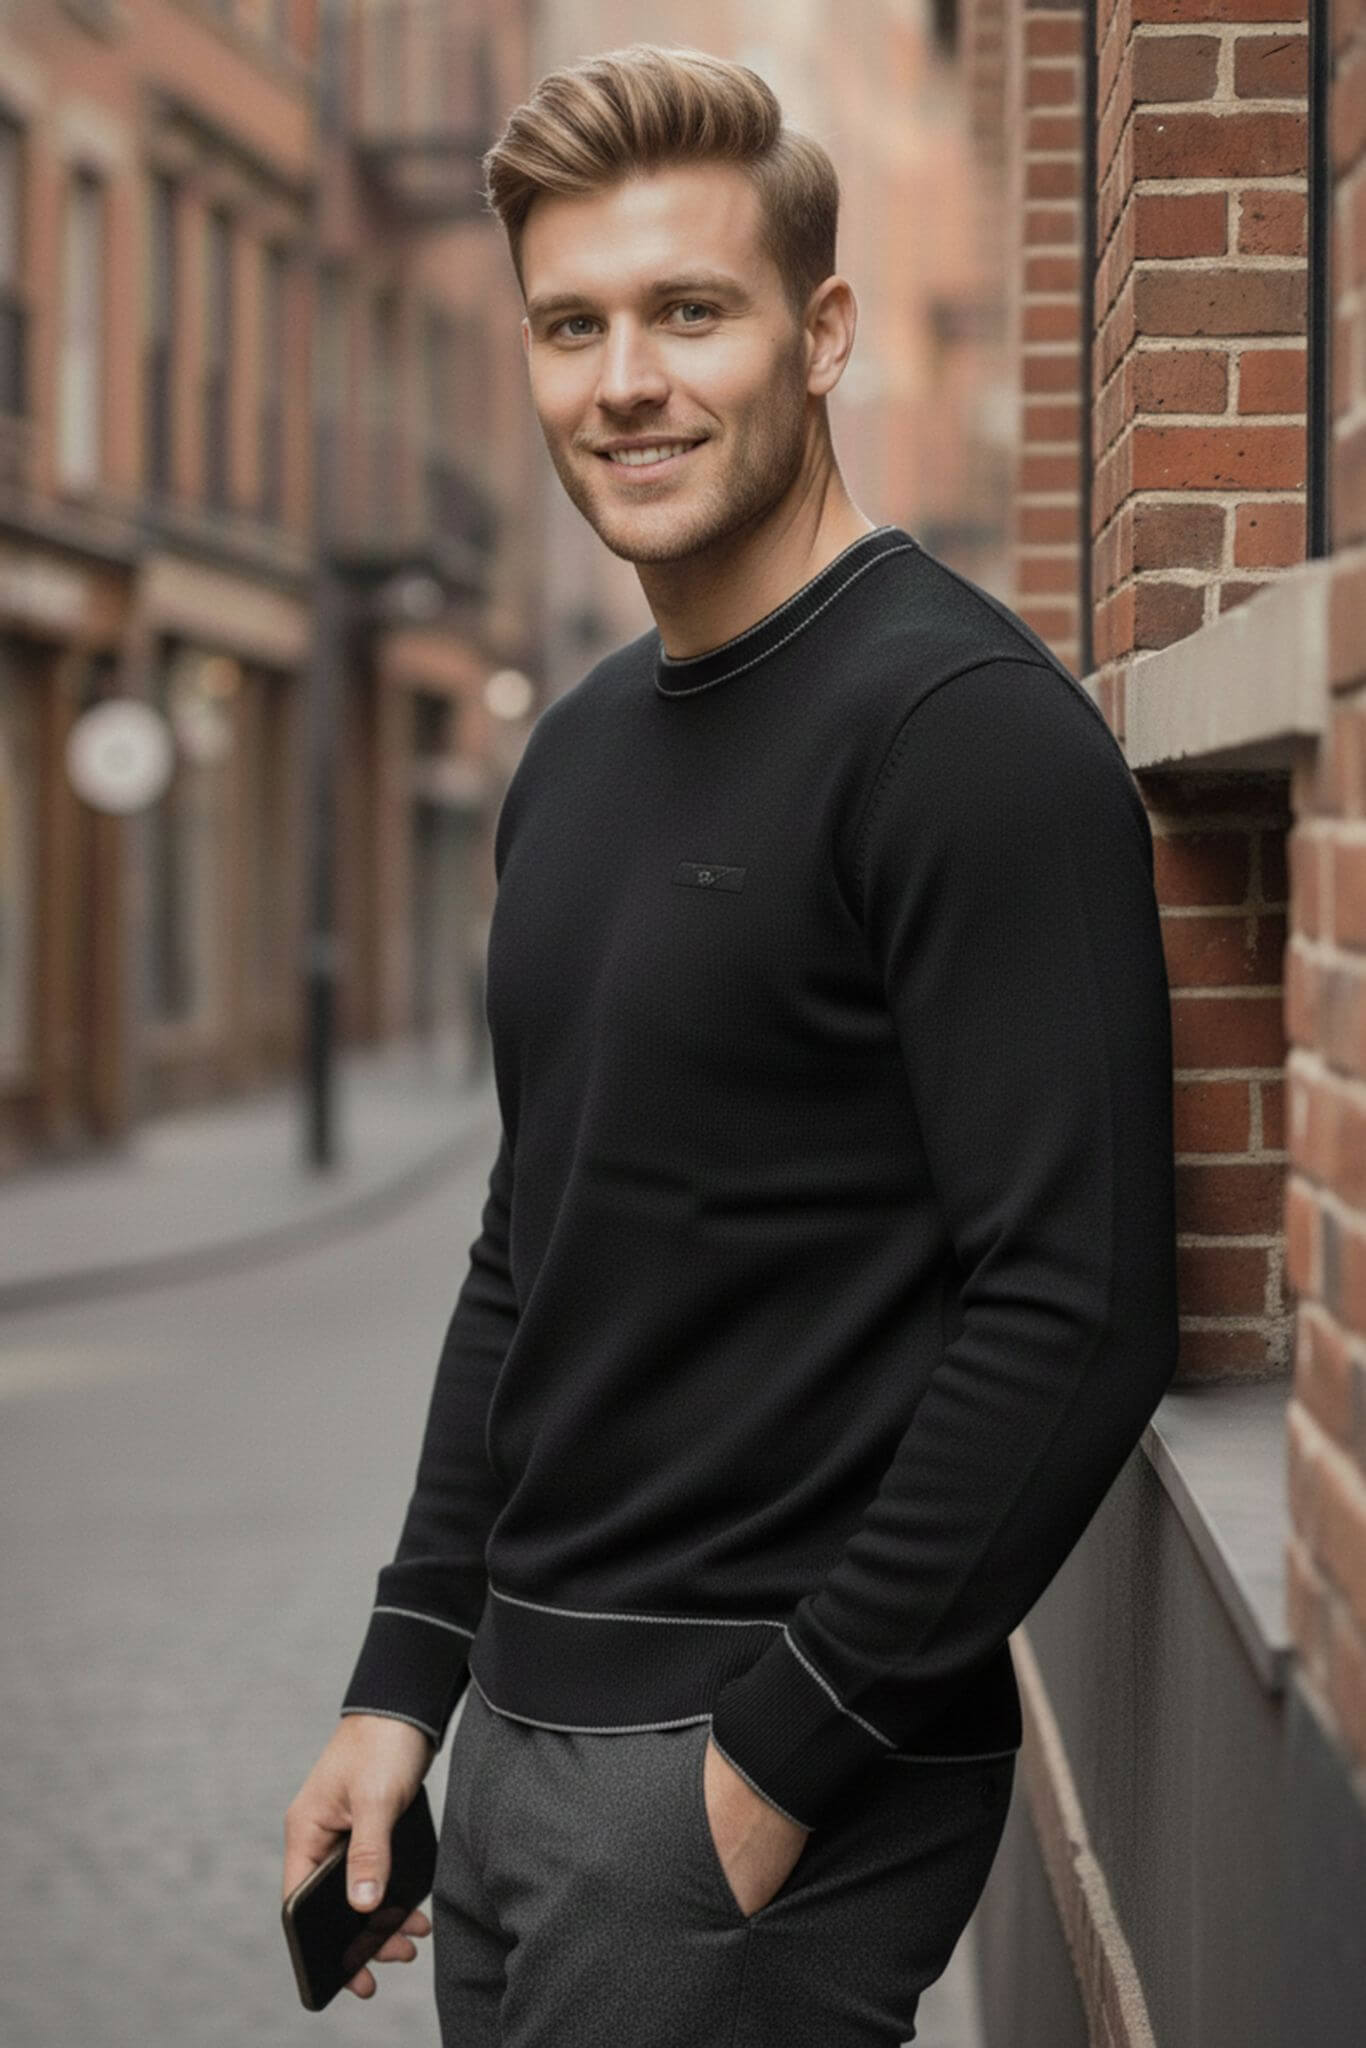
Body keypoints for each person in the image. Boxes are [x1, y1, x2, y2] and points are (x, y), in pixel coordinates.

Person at [283, 41, 1179, 2047]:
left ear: (820, 328)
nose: (623, 381)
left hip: (736, 1769)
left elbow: (1077, 1297)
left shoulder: (963, 737)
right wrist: (399, 1682)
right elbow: (534, 1238)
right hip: (516, 1739)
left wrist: (782, 1753)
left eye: (689, 310)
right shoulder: (578, 750)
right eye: (570, 324)